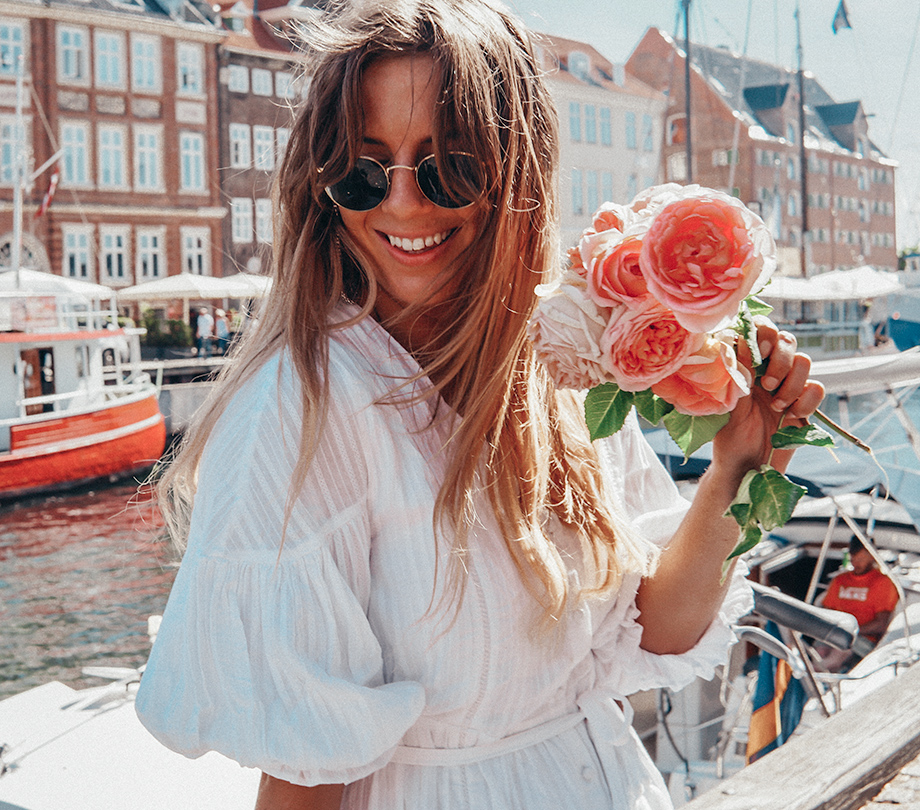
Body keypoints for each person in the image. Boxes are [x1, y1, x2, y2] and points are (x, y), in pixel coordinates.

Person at [135, 1, 824, 808]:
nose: (401, 203)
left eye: (446, 166)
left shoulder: (555, 363)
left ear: (515, 169)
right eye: (362, 168)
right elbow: (303, 774)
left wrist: (744, 464)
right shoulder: (298, 412)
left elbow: (657, 626)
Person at [816, 536, 899, 671]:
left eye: (860, 559)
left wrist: (851, 631)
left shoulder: (882, 583)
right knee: (818, 652)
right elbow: (827, 611)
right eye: (853, 559)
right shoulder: (840, 580)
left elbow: (881, 623)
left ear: (871, 556)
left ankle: (819, 676)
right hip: (835, 633)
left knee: (835, 656)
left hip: (863, 638)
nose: (855, 563)